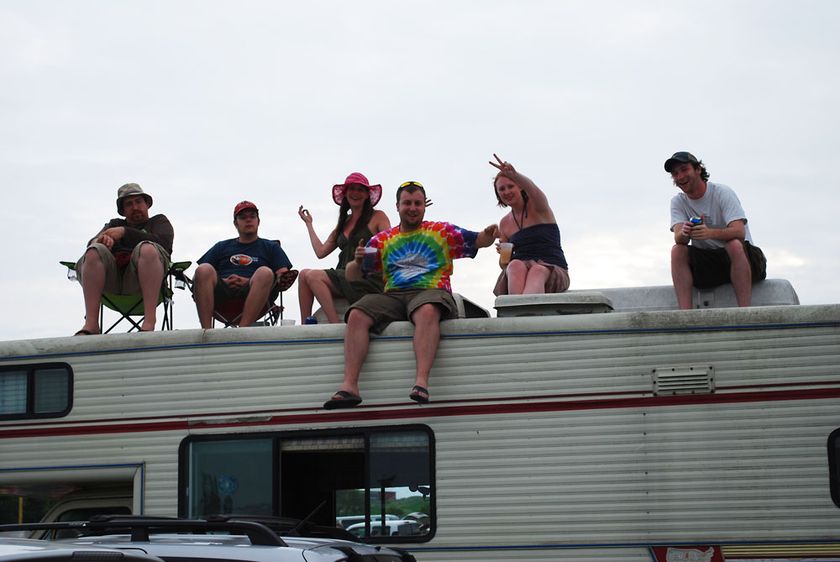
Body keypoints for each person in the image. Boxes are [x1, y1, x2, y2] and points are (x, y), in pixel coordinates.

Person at [323, 180, 499, 409]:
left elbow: (478, 240)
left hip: (431, 291)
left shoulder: (441, 231)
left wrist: (488, 234)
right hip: (393, 295)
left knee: (427, 310)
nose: (412, 208)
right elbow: (353, 276)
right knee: (356, 313)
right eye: (407, 203)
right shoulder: (382, 239)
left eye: (417, 203)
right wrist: (356, 262)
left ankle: (421, 382)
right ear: (397, 206)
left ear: (425, 206)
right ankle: (349, 386)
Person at [666, 151, 767, 309]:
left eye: (684, 170)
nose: (680, 177)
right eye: (675, 173)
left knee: (734, 244)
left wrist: (709, 233)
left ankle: (745, 313)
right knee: (677, 250)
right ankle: (685, 315)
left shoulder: (722, 192)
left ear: (698, 169)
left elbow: (739, 232)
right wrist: (685, 232)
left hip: (744, 260)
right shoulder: (678, 202)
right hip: (710, 265)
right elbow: (679, 238)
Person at [74, 183, 173, 335]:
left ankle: (149, 323)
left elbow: (164, 245)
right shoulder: (114, 224)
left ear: (147, 204)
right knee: (94, 251)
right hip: (112, 283)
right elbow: (91, 243)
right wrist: (101, 241)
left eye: (138, 202)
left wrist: (124, 232)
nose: (135, 207)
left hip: (143, 283)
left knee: (148, 249)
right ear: (123, 210)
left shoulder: (159, 222)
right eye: (129, 204)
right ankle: (91, 324)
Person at [297, 172, 391, 324]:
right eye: (352, 189)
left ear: (367, 195)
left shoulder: (378, 216)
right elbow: (321, 252)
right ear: (345, 193)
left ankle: (334, 325)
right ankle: (305, 327)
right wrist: (309, 224)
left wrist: (368, 252)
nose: (355, 193)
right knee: (303, 275)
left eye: (360, 190)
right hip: (342, 275)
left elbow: (390, 245)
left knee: (314, 276)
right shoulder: (344, 222)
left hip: (365, 277)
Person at [193, 201, 295, 328]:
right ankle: (206, 332)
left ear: (258, 221)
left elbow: (283, 275)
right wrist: (224, 281)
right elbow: (199, 276)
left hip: (255, 292)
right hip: (221, 295)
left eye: (252, 216)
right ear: (236, 223)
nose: (248, 220)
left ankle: (242, 330)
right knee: (203, 269)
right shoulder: (221, 247)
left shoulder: (271, 247)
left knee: (265, 272)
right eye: (243, 217)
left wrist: (249, 281)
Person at [490, 154, 570, 295]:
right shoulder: (504, 223)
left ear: (520, 187)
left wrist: (515, 175)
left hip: (552, 269)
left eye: (510, 186)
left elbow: (533, 189)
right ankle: (518, 307)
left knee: (537, 270)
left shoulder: (538, 207)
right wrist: (503, 253)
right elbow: (504, 265)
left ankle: (528, 307)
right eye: (502, 189)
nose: (507, 192)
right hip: (520, 272)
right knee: (514, 265)